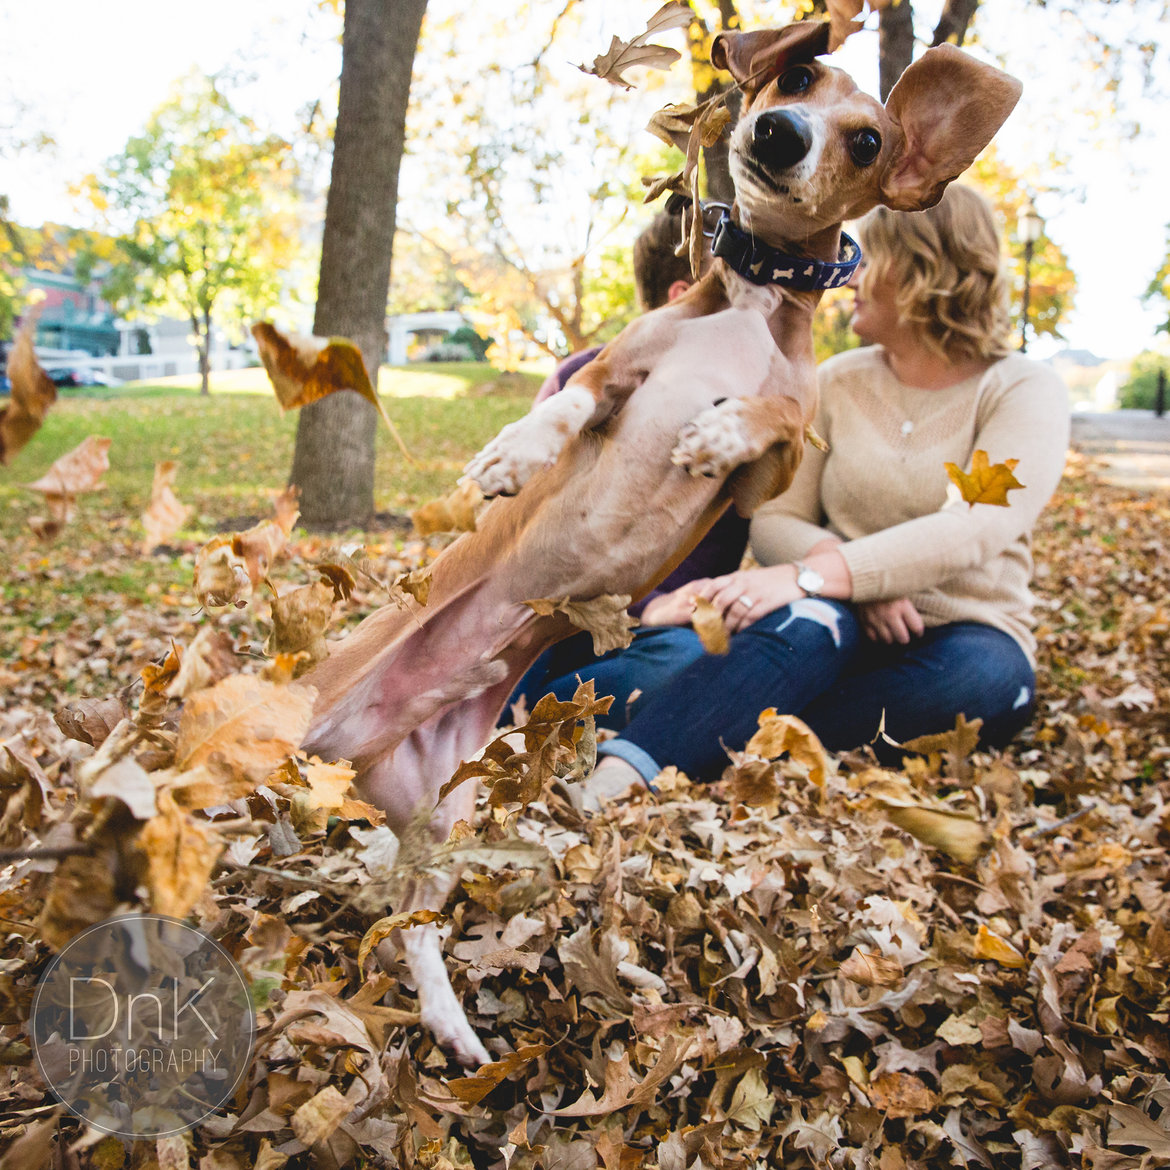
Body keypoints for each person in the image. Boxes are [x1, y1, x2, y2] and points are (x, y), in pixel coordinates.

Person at [584, 184, 1071, 802]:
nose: (849, 273)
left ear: (927, 267)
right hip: (831, 622)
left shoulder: (1020, 390)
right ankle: (623, 771)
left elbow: (974, 526)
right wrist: (843, 584)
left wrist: (828, 573)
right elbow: (775, 518)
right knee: (807, 624)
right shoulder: (837, 382)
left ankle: (719, 720)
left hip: (963, 630)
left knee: (988, 683)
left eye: (868, 254)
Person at [506, 205, 740, 728]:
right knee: (495, 645)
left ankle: (533, 722)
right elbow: (538, 533)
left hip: (660, 639)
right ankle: (513, 715)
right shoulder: (583, 380)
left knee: (690, 664)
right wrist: (649, 604)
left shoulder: (746, 409)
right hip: (558, 616)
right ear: (684, 298)